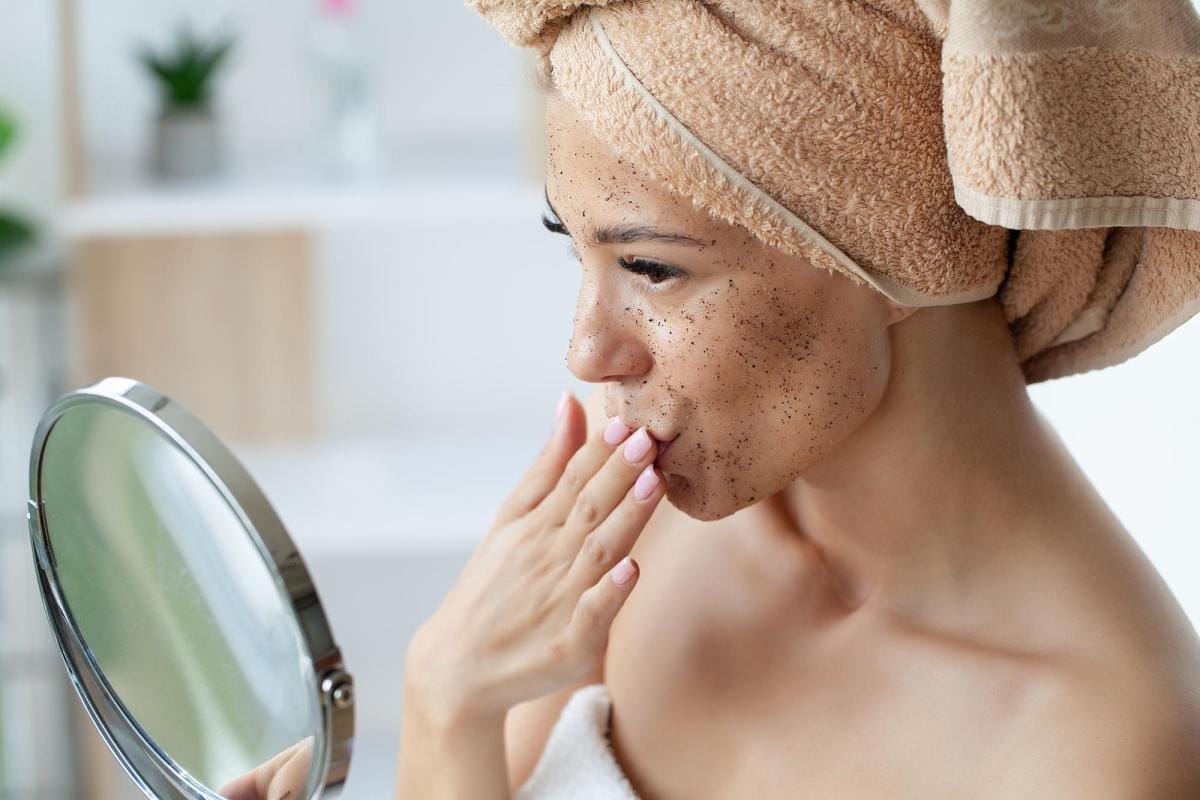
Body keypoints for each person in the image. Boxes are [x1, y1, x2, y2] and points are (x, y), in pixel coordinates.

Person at [393, 80, 1200, 800]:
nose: (587, 352)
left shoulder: (1098, 755)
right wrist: (445, 703)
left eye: (650, 268)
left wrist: (447, 704)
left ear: (894, 248)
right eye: (576, 250)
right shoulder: (655, 512)